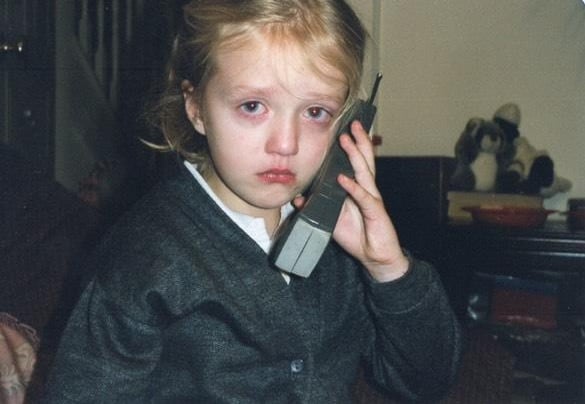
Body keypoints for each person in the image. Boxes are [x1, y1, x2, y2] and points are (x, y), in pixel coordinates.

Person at [42, 1, 462, 402]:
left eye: (316, 112)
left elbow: (425, 382)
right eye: (253, 106)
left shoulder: (341, 248)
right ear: (196, 108)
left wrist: (387, 268)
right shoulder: (144, 257)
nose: (286, 144)